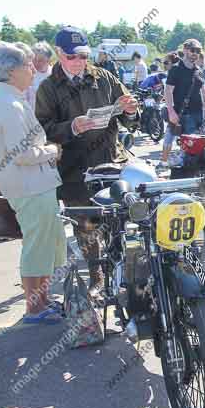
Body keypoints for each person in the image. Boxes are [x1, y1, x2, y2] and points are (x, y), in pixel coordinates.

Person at [35, 26, 139, 288]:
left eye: (83, 55)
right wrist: (71, 127)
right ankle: (96, 277)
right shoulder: (48, 88)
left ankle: (122, 272)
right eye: (72, 57)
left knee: (118, 220)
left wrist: (129, 110)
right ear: (59, 54)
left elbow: (130, 119)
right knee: (86, 228)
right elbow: (41, 131)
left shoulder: (105, 77)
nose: (79, 61)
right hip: (75, 170)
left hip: (111, 162)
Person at [0, 42, 66, 323]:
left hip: (33, 184)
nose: (33, 69)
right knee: (37, 246)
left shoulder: (12, 98)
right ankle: (35, 307)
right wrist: (53, 151)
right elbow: (22, 154)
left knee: (43, 244)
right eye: (27, 65)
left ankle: (42, 301)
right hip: (29, 185)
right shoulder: (9, 104)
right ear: (12, 70)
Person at [161, 39, 205, 163]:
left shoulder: (199, 71)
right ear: (185, 50)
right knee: (170, 138)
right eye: (192, 50)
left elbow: (204, 93)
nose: (195, 53)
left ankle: (183, 166)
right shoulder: (176, 69)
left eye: (198, 51)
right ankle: (164, 163)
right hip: (181, 113)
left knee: (192, 144)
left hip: (198, 114)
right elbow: (167, 91)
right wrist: (171, 111)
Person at [23, 42, 53, 111]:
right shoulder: (26, 74)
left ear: (49, 60)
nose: (36, 63)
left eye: (41, 60)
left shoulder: (55, 74)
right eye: (34, 59)